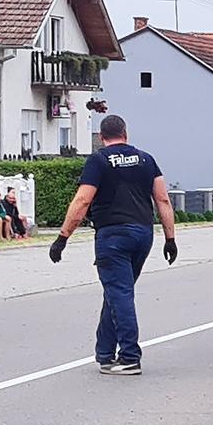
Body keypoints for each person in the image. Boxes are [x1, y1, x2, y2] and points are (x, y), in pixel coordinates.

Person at [48, 114, 179, 376]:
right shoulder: (146, 159)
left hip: (113, 235)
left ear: (101, 137)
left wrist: (63, 238)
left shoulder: (98, 161)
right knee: (118, 291)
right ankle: (105, 354)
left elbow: (83, 201)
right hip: (143, 234)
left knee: (120, 293)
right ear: (125, 134)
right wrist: (170, 239)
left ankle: (130, 357)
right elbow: (163, 200)